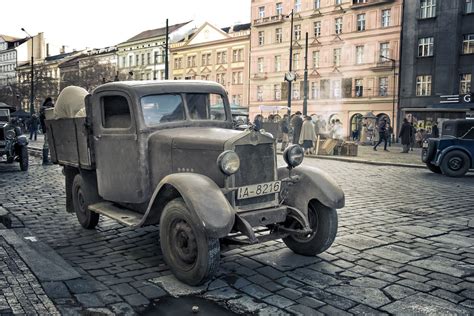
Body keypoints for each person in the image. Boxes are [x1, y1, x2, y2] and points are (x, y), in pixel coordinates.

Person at [40, 97, 54, 164]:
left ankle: (46, 159)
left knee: (46, 144)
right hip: (49, 128)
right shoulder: (49, 109)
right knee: (48, 144)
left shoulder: (42, 110)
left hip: (45, 128)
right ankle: (46, 160)